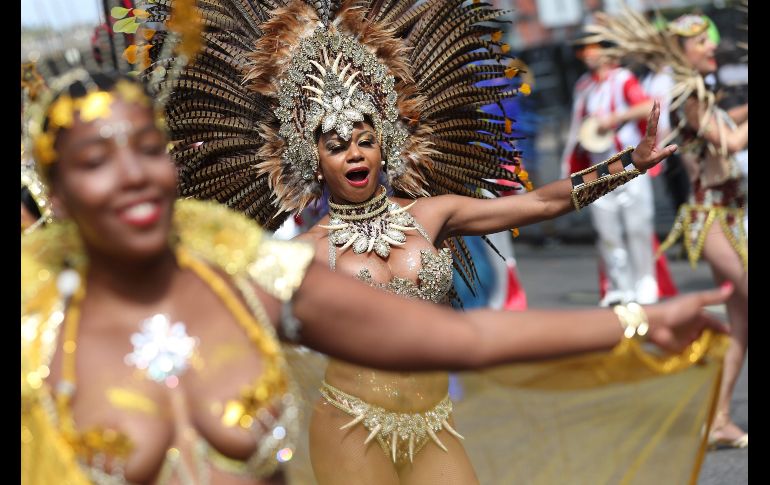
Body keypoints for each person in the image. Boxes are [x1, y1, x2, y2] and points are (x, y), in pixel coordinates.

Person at [136, 1, 729, 483]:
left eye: (364, 139)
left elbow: (542, 202)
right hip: (348, 425)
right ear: (312, 160)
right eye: (337, 145)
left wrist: (629, 163)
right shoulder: (303, 252)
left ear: (385, 141)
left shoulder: (433, 214)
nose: (354, 154)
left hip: (435, 420)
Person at [586, 10, 748, 450]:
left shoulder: (698, 93)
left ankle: (717, 417)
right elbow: (729, 142)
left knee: (740, 323)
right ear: (683, 51)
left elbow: (726, 123)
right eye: (702, 43)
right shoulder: (686, 93)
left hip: (730, 214)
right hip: (710, 217)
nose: (712, 47)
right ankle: (674, 365)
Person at [561, 36, 660, 307]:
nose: (585, 53)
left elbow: (646, 106)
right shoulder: (584, 86)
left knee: (637, 226)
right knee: (607, 231)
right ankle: (620, 285)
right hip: (597, 169)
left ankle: (645, 281)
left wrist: (615, 119)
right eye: (582, 48)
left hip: (628, 165)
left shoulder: (623, 78)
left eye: (590, 47)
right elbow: (574, 128)